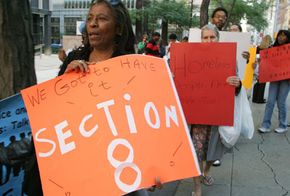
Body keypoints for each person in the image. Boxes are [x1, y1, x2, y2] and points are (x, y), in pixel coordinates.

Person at [58, 0, 160, 195]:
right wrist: (65, 81)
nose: (93, 24)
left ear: (119, 29)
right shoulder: (73, 60)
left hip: (120, 166)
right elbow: (56, 111)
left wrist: (154, 166)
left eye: (102, 19)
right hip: (80, 163)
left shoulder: (132, 67)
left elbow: (145, 122)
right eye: (90, 19)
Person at [191, 24, 241, 196]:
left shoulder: (228, 58)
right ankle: (197, 184)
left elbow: (237, 85)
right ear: (201, 39)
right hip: (196, 114)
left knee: (213, 150)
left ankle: (207, 171)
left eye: (212, 37)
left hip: (216, 114)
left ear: (218, 39)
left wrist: (237, 83)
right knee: (195, 150)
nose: (209, 40)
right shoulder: (190, 57)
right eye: (205, 37)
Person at [258, 30, 290, 134]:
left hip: (286, 80)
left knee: (281, 102)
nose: (281, 38)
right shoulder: (272, 49)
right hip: (274, 79)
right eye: (280, 35)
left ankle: (283, 125)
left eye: (284, 36)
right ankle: (265, 125)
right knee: (270, 101)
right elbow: (265, 60)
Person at [252, 35, 272, 104]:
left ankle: (254, 98)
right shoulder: (269, 48)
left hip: (257, 67)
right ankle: (259, 99)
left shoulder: (258, 48)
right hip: (265, 68)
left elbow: (254, 57)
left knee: (258, 83)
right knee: (262, 84)